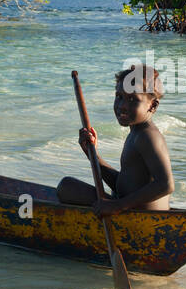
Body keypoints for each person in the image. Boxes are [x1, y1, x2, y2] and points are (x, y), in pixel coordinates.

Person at [57, 64, 174, 215]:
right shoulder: (137, 132)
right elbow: (122, 186)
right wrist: (92, 155)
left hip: (142, 216)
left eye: (133, 99)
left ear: (152, 105)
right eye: (119, 97)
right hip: (129, 207)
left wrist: (117, 206)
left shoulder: (147, 136)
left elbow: (166, 185)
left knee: (67, 187)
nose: (122, 105)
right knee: (68, 188)